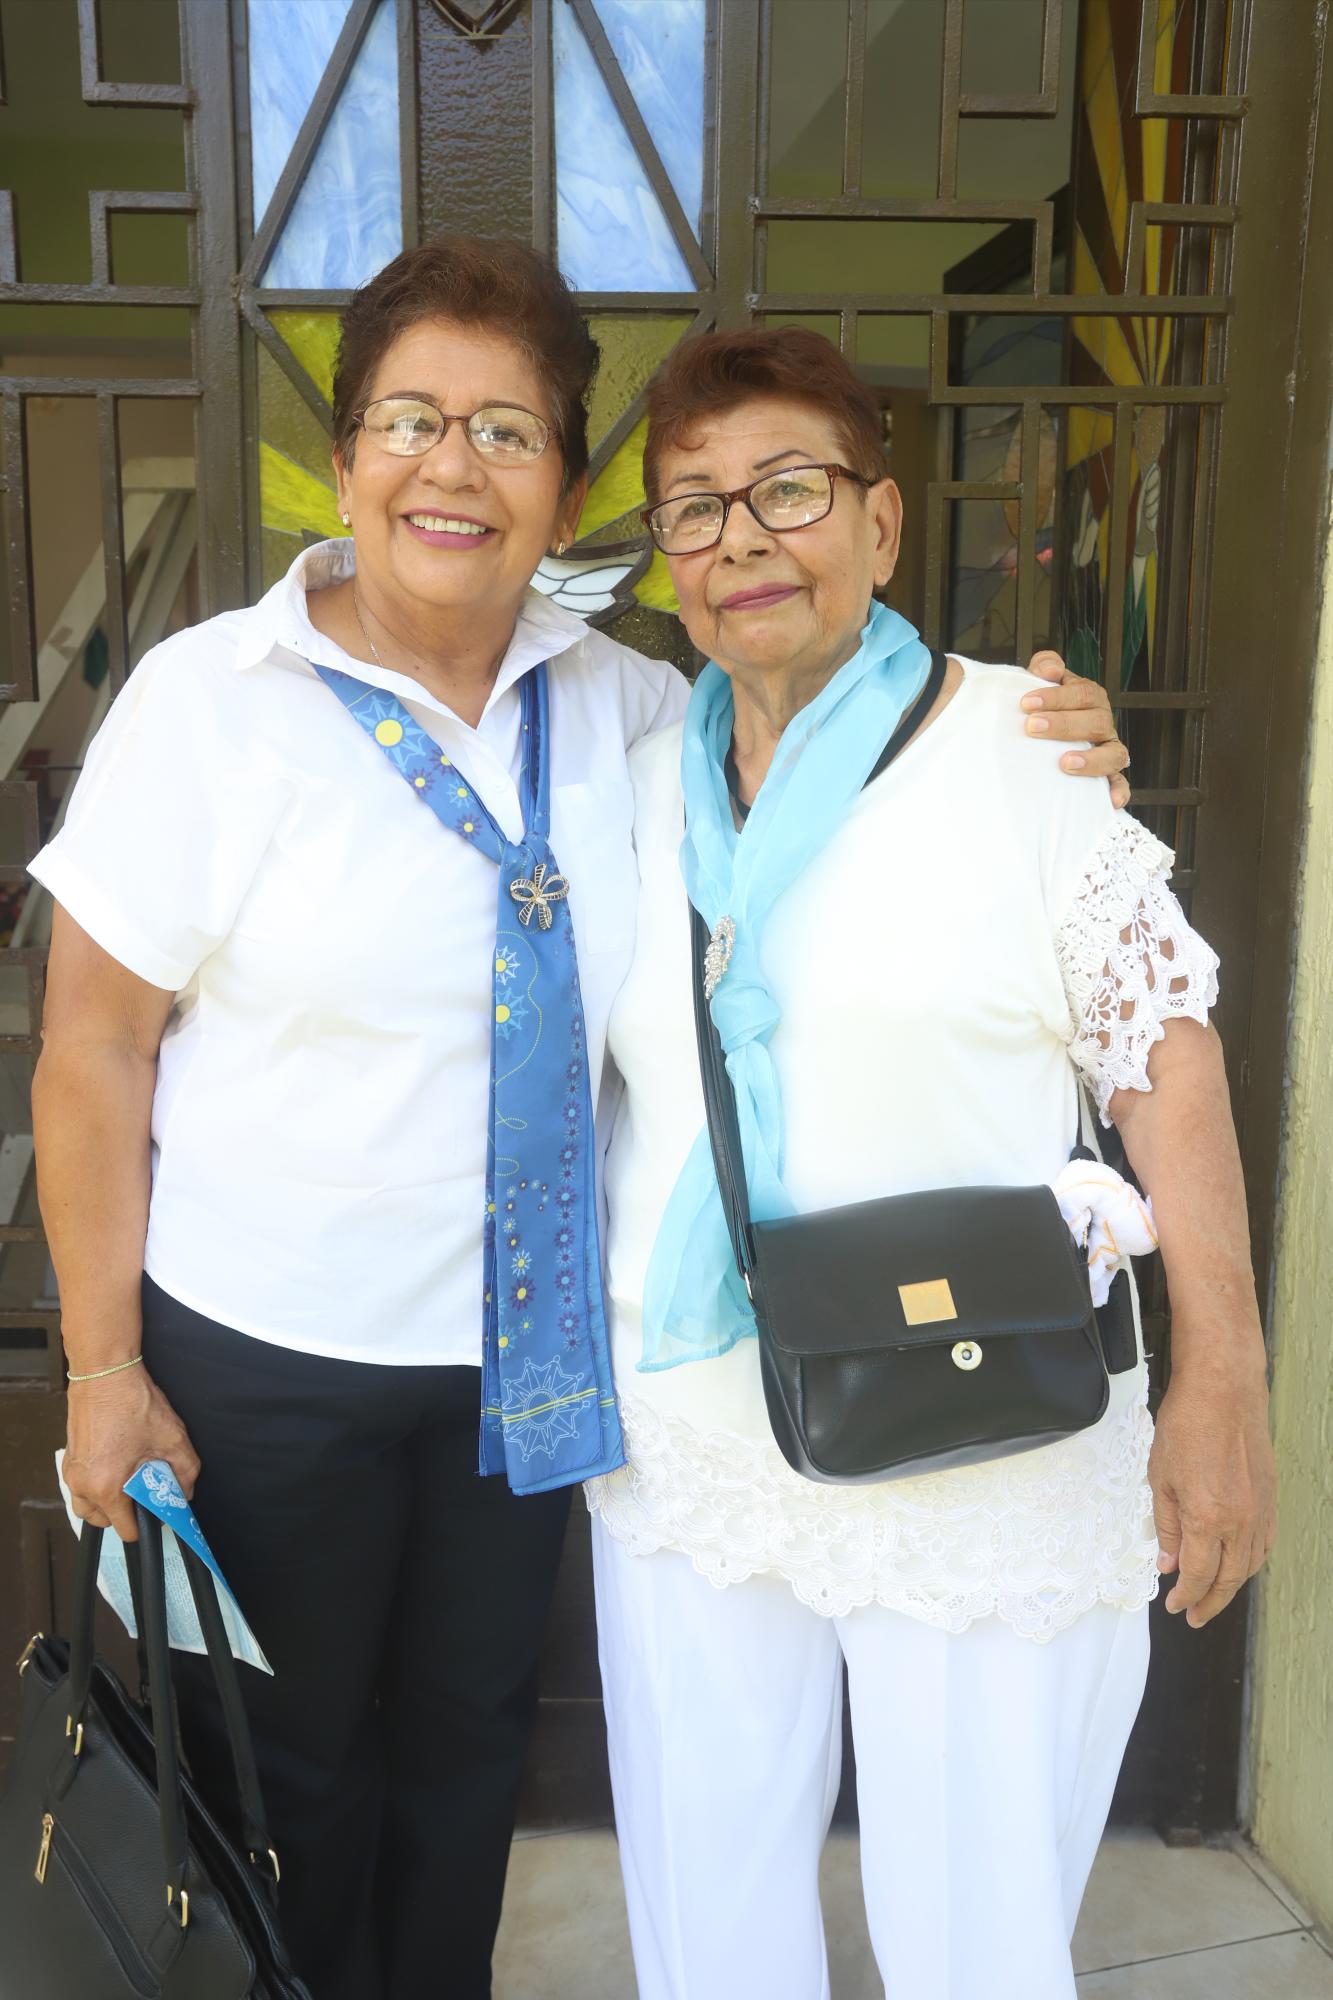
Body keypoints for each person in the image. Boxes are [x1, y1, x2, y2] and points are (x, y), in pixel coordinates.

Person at [28, 239, 1127, 2000]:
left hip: (524, 1370)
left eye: (506, 430)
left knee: (467, 1760)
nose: (451, 466)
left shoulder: (629, 706)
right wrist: (102, 1369)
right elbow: (92, 1049)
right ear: (343, 455)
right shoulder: (210, 702)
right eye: (410, 419)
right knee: (284, 1782)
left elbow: (833, 765)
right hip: (268, 1357)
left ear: (561, 488)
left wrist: (1035, 741)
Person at [586, 327, 1277, 2000]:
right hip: (694, 1435)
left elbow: (1162, 1062)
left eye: (787, 489)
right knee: (705, 1900)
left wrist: (1220, 1380)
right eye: (693, 507)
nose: (741, 539)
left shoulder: (1024, 753)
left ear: (880, 524)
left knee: (977, 1932)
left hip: (981, 1429)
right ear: (664, 559)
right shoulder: (634, 785)